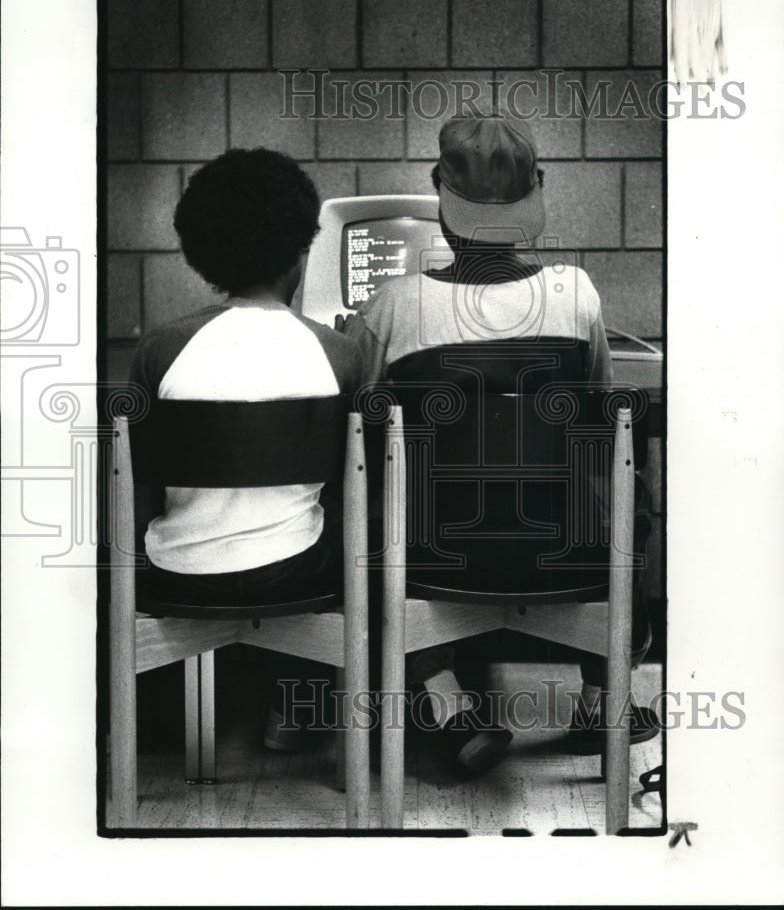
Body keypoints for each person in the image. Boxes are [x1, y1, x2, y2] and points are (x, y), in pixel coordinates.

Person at [343, 114, 658, 756]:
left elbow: (360, 428)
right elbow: (599, 423)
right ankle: (602, 701)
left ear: (441, 196)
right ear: (533, 196)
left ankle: (445, 701)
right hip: (563, 546)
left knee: (367, 506)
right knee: (628, 491)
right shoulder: (576, 296)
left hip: (436, 554)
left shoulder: (393, 307)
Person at [130, 147, 362, 750]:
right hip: (295, 572)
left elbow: (143, 487)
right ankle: (297, 709)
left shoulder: (160, 350)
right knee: (340, 510)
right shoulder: (339, 355)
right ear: (300, 252)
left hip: (176, 574)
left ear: (203, 256)